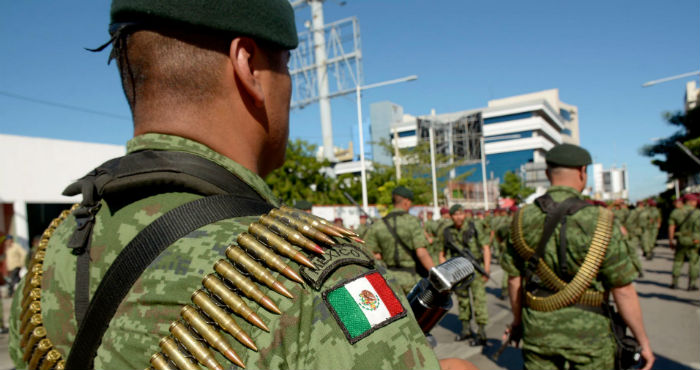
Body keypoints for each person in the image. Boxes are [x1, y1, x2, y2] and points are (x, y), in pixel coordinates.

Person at [8, 2, 459, 369]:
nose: (289, 87)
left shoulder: (54, 251)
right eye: (285, 65)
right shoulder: (312, 270)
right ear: (248, 65)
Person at [501, 143, 653, 370]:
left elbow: (514, 281)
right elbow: (622, 290)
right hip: (590, 338)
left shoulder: (521, 218)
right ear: (583, 172)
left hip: (538, 331)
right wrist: (643, 342)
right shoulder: (601, 219)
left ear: (547, 173)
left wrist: (517, 322)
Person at [364, 186, 435, 294]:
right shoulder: (412, 221)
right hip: (411, 280)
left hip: (388, 280)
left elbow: (367, 252)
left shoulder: (378, 225)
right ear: (406, 202)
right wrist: (435, 273)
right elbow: (421, 252)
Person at [439, 205, 491, 345]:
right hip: (458, 273)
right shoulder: (447, 232)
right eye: (455, 214)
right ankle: (466, 330)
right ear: (451, 216)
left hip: (475, 270)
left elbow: (485, 248)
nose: (458, 217)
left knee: (479, 300)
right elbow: (441, 254)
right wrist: (447, 273)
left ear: (465, 214)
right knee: (463, 301)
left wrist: (486, 269)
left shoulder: (474, 227)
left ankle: (481, 332)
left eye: (461, 214)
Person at [668, 193, 700, 290]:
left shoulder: (676, 212)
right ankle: (692, 284)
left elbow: (671, 227)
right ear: (691, 201)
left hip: (681, 239)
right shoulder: (698, 213)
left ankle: (675, 282)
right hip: (695, 240)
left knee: (678, 260)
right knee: (694, 262)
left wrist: (671, 240)